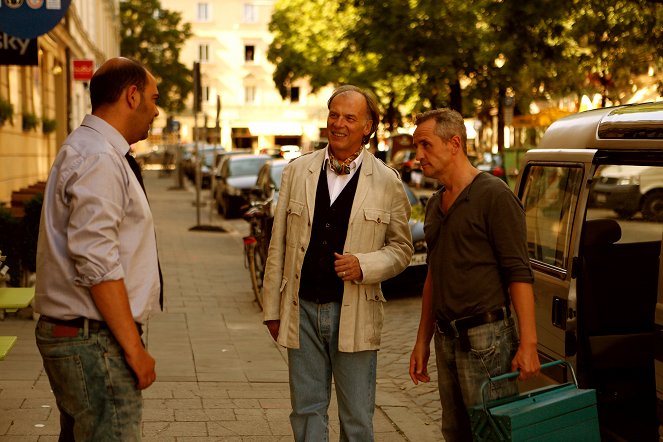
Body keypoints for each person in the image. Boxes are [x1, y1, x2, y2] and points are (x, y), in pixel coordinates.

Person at [262, 85, 413, 441]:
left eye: (349, 117)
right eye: (334, 115)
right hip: (303, 312)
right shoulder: (298, 171)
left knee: (357, 419)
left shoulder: (388, 182)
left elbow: (402, 249)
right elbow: (278, 244)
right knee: (306, 412)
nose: (339, 124)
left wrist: (365, 265)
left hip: (356, 313)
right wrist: (272, 307)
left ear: (368, 127)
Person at [34, 57, 161, 441]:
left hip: (85, 336)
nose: (156, 110)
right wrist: (134, 348)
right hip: (94, 338)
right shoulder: (100, 157)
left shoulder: (91, 148)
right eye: (154, 99)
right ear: (132, 96)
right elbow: (96, 261)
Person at [408, 109, 540, 441]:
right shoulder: (436, 204)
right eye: (416, 147)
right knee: (455, 432)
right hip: (446, 337)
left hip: (487, 339)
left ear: (454, 143)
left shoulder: (494, 195)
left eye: (425, 145)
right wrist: (422, 340)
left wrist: (528, 344)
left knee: (491, 434)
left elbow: (518, 274)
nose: (418, 156)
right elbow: (433, 277)